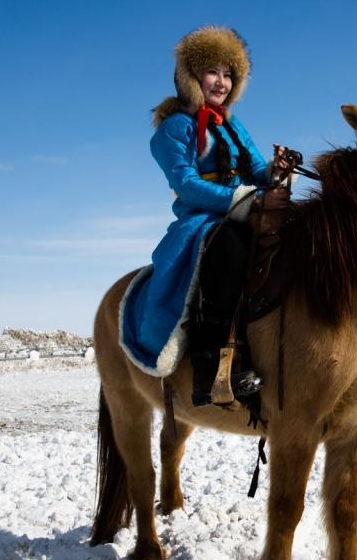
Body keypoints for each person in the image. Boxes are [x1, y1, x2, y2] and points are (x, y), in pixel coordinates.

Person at [119, 25, 291, 405]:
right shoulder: (174, 128)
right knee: (229, 249)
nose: (222, 82)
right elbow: (187, 185)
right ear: (191, 77)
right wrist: (249, 200)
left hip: (249, 208)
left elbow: (257, 171)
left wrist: (276, 172)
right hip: (204, 220)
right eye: (213, 71)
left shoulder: (230, 123)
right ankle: (211, 363)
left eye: (229, 74)